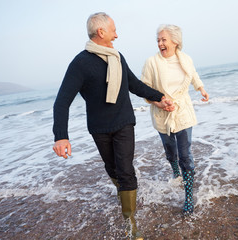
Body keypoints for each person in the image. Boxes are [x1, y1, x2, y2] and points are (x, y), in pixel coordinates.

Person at [52, 12, 173, 240]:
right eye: (113, 30)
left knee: (126, 170)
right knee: (113, 169)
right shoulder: (80, 64)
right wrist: (61, 136)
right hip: (99, 128)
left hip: (124, 122)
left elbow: (134, 84)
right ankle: (125, 195)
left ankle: (130, 221)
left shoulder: (117, 57)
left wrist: (159, 97)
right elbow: (62, 101)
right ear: (101, 32)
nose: (116, 35)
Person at [141, 24, 209, 216]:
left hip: (182, 111)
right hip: (162, 113)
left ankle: (188, 197)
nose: (160, 43)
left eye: (164, 39)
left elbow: (193, 74)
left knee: (185, 154)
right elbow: (144, 89)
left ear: (175, 41)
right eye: (158, 40)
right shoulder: (151, 63)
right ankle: (175, 171)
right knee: (171, 152)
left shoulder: (185, 59)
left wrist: (201, 88)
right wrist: (160, 102)